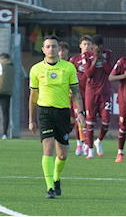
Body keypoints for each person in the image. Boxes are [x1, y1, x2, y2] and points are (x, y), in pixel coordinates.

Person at [28, 35, 85, 199]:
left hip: (62, 113)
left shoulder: (68, 68)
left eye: (54, 46)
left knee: (62, 155)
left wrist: (79, 112)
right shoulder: (36, 69)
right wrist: (31, 120)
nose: (51, 49)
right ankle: (49, 188)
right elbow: (32, 97)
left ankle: (56, 178)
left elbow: (76, 93)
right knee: (48, 149)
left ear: (58, 49)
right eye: (48, 46)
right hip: (44, 112)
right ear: (43, 49)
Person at [80, 34, 113, 159]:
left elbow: (110, 70)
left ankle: (98, 141)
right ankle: (89, 149)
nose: (97, 48)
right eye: (95, 46)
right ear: (92, 47)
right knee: (90, 121)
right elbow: (88, 73)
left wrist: (102, 59)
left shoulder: (108, 53)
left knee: (106, 120)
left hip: (104, 92)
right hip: (91, 93)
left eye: (100, 46)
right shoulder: (86, 55)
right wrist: (95, 60)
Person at [69, 35, 91, 156]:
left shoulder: (94, 59)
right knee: (79, 119)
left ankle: (87, 144)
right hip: (78, 95)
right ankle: (79, 143)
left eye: (88, 44)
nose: (87, 46)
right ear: (80, 45)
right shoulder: (74, 60)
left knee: (89, 120)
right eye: (84, 44)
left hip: (90, 95)